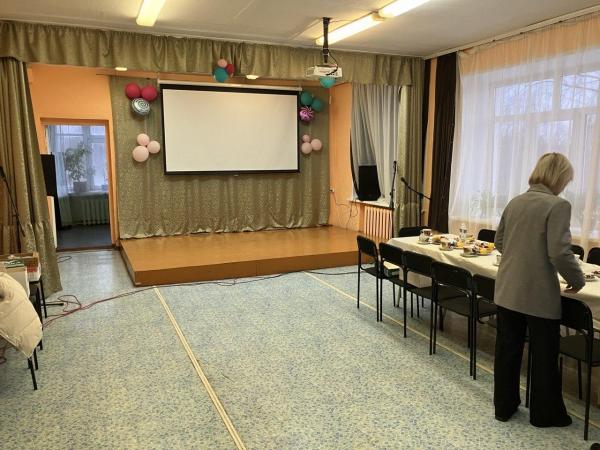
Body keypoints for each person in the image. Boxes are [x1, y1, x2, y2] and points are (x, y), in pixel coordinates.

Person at [493, 152, 585, 427]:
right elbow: (559, 252)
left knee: (507, 351)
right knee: (544, 355)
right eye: (566, 180)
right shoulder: (558, 205)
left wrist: (521, 258)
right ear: (559, 178)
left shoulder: (516, 201)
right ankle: (544, 414)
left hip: (508, 289)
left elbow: (499, 242)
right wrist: (578, 279)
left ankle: (504, 407)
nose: (565, 185)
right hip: (538, 295)